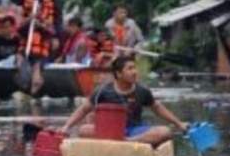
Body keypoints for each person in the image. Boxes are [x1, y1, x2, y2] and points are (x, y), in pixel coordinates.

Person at [59, 56, 187, 147]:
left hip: (135, 131)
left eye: (134, 68)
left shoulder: (142, 90)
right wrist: (66, 126)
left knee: (165, 132)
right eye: (130, 69)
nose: (135, 72)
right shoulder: (103, 90)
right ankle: (120, 141)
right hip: (109, 130)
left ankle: (128, 142)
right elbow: (83, 109)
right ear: (119, 74)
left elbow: (158, 108)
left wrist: (179, 124)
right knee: (84, 130)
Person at [15, 0, 62, 95]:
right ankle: (24, 86)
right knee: (20, 60)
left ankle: (34, 88)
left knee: (38, 65)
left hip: (43, 39)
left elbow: (57, 19)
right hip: (26, 39)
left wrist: (56, 37)